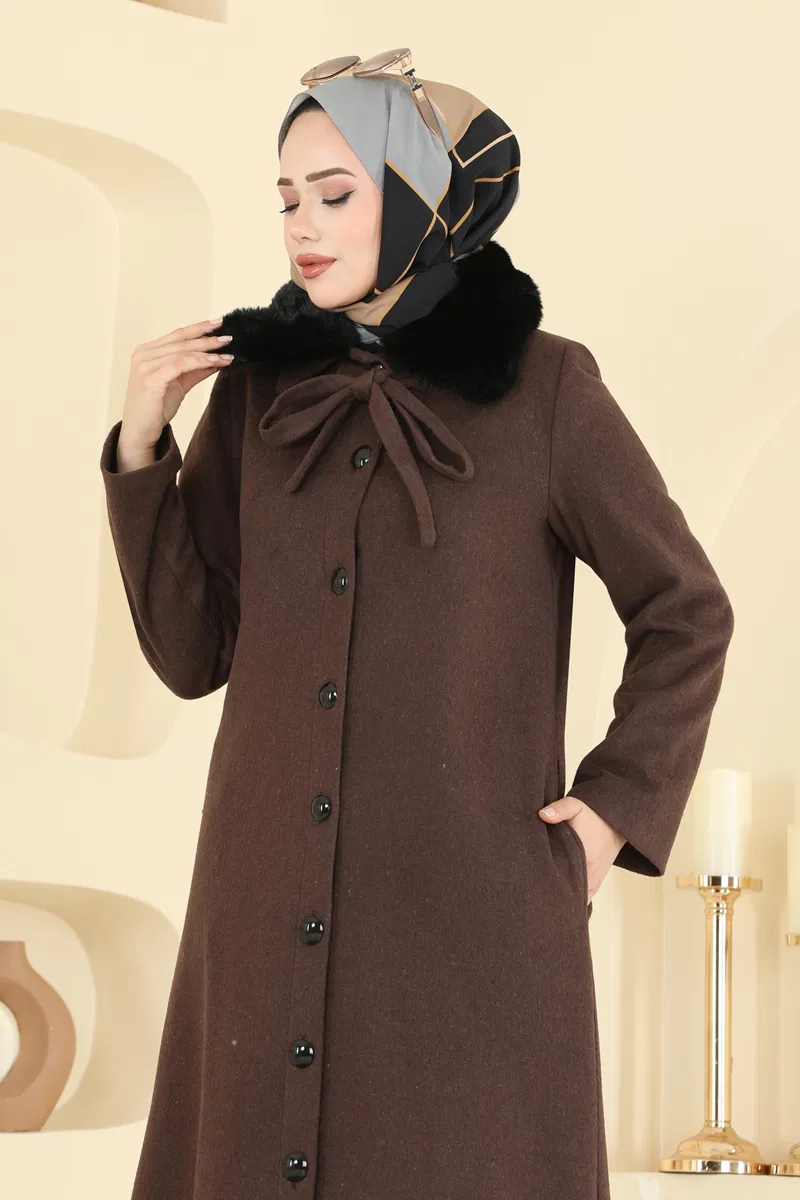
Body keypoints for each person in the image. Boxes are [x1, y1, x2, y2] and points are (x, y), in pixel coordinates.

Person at [100, 58, 735, 1200]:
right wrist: (144, 446)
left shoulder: (545, 389)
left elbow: (685, 607)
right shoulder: (260, 392)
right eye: (286, 198)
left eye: (335, 192)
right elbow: (194, 655)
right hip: (260, 904)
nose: (301, 225)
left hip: (468, 918)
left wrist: (610, 813)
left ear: (423, 195)